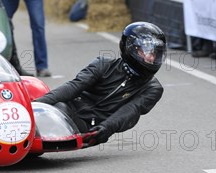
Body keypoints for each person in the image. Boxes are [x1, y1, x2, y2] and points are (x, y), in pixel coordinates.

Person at [34, 22, 166, 147]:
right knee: (38, 90)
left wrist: (106, 128)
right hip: (67, 109)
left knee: (58, 110)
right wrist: (36, 105)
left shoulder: (152, 88)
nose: (151, 58)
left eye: (155, 54)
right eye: (146, 52)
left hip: (89, 126)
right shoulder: (103, 64)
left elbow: (131, 110)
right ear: (130, 48)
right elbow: (74, 86)